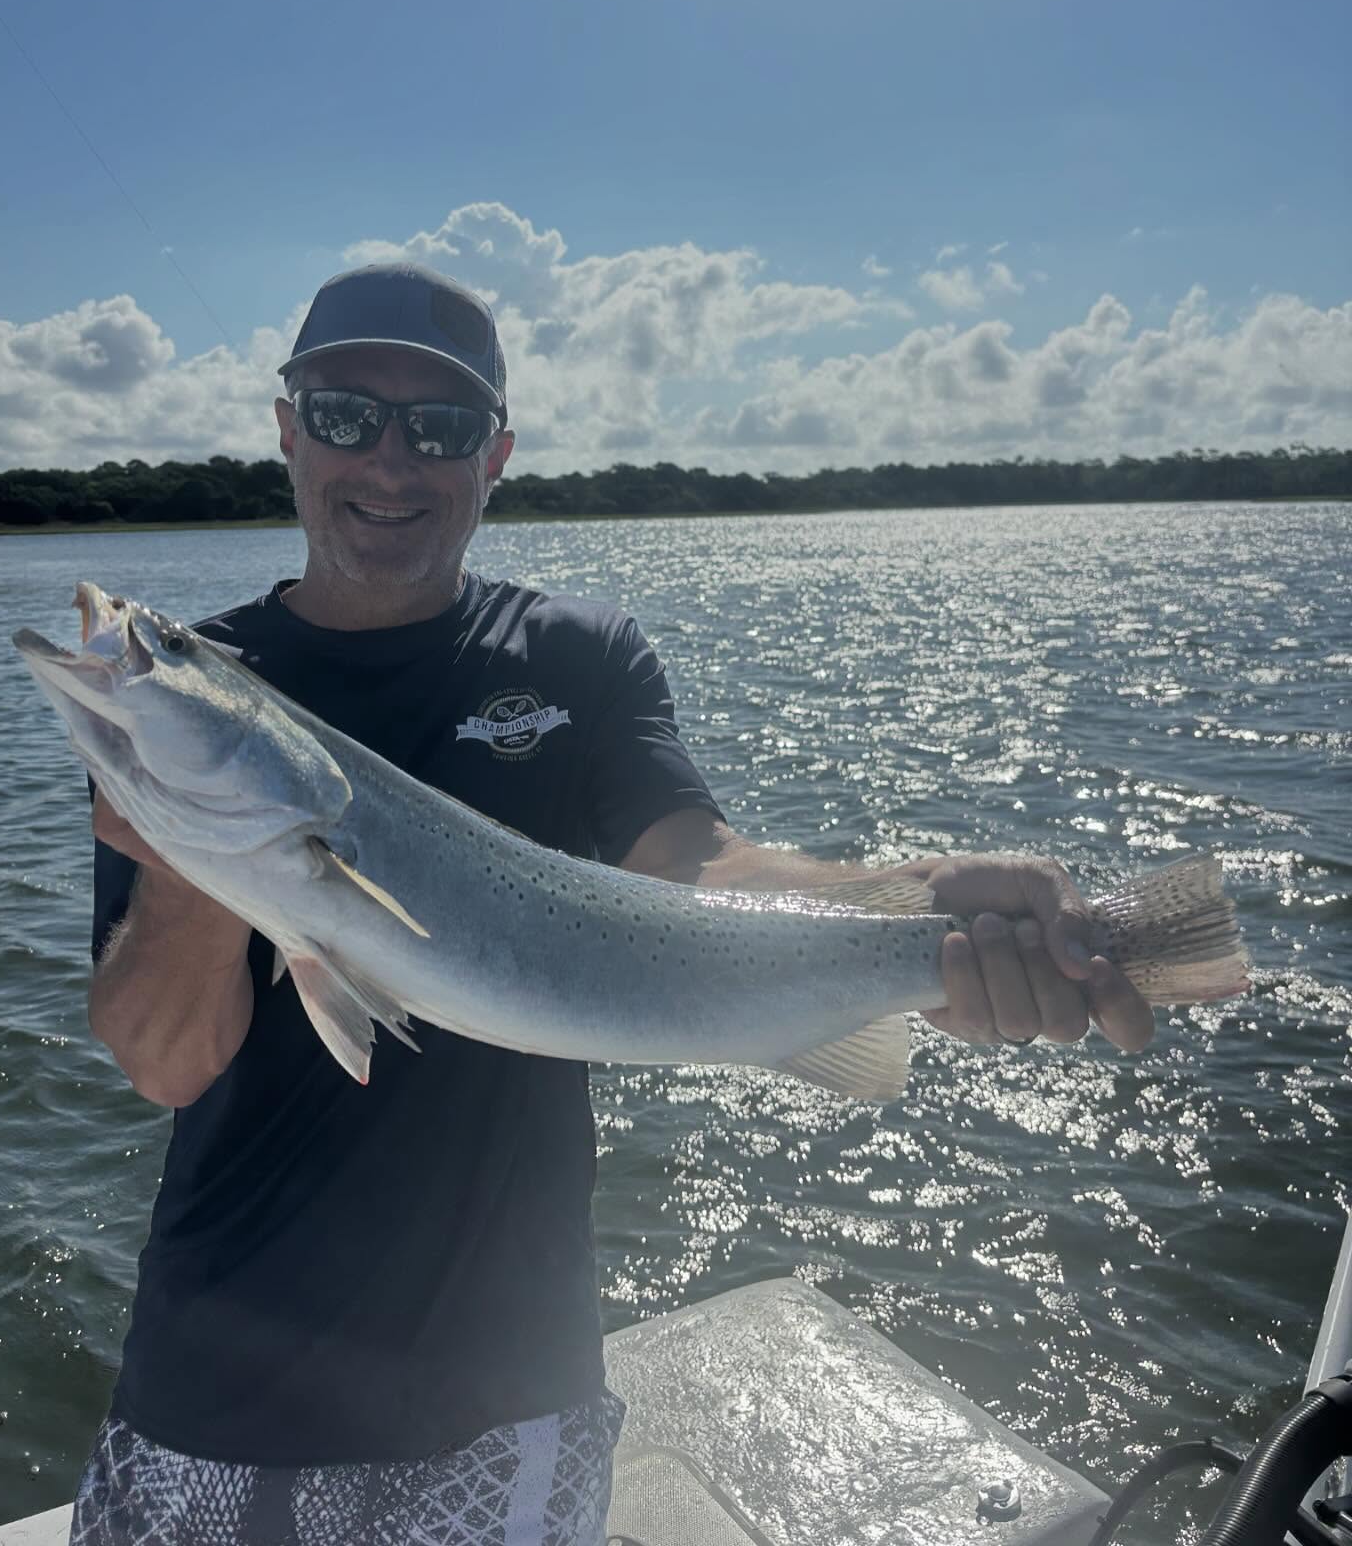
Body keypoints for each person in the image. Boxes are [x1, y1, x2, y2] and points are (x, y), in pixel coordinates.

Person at [71, 262, 1154, 1545]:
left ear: (496, 456)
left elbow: (697, 872)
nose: (392, 460)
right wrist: (200, 850)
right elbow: (166, 1062)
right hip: (217, 1380)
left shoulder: (576, 657)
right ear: (288, 431)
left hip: (511, 1382)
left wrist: (914, 903)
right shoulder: (189, 715)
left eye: (442, 426)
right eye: (347, 415)